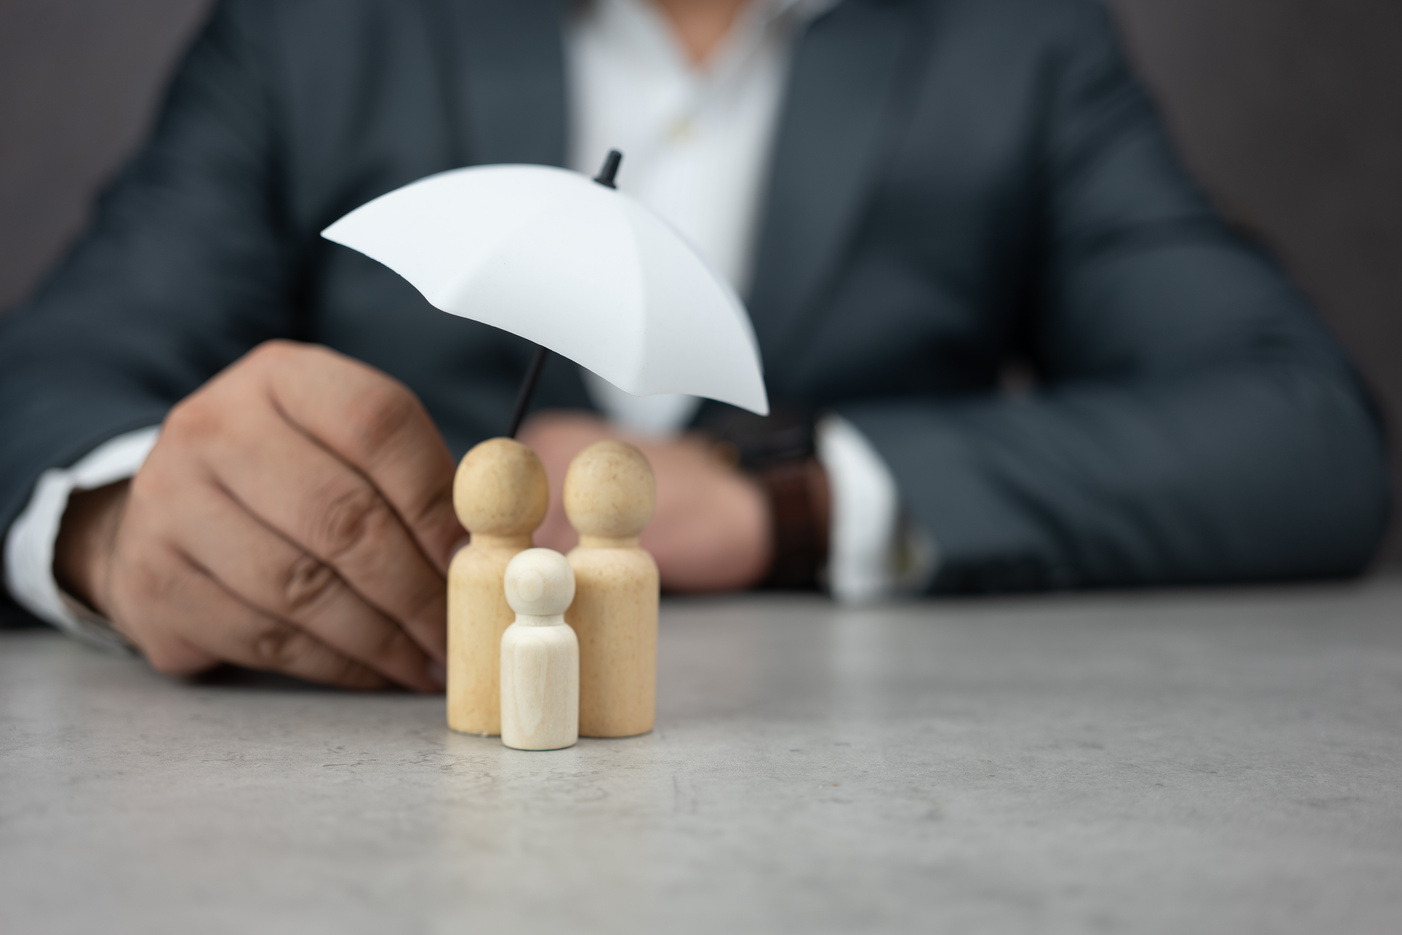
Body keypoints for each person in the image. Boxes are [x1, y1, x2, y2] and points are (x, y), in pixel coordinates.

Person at [0, 0, 1388, 692]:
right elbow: (45, 375)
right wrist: (118, 519)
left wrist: (783, 492)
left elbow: (1298, 427)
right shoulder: (317, 27)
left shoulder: (1013, 41)